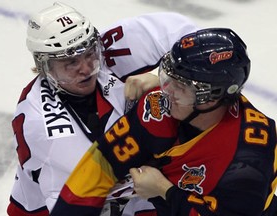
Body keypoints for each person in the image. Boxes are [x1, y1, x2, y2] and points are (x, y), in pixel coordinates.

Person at [50, 28, 277, 216]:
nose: (167, 92)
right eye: (168, 78)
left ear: (214, 96)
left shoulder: (250, 156)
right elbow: (102, 164)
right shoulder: (159, 108)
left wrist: (164, 190)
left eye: (182, 87)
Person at [7, 2, 199, 216]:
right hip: (57, 205)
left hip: (133, 195)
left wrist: (166, 79)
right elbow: (78, 199)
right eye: (71, 62)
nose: (86, 69)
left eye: (90, 54)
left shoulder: (112, 52)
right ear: (44, 67)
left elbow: (194, 40)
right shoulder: (44, 129)